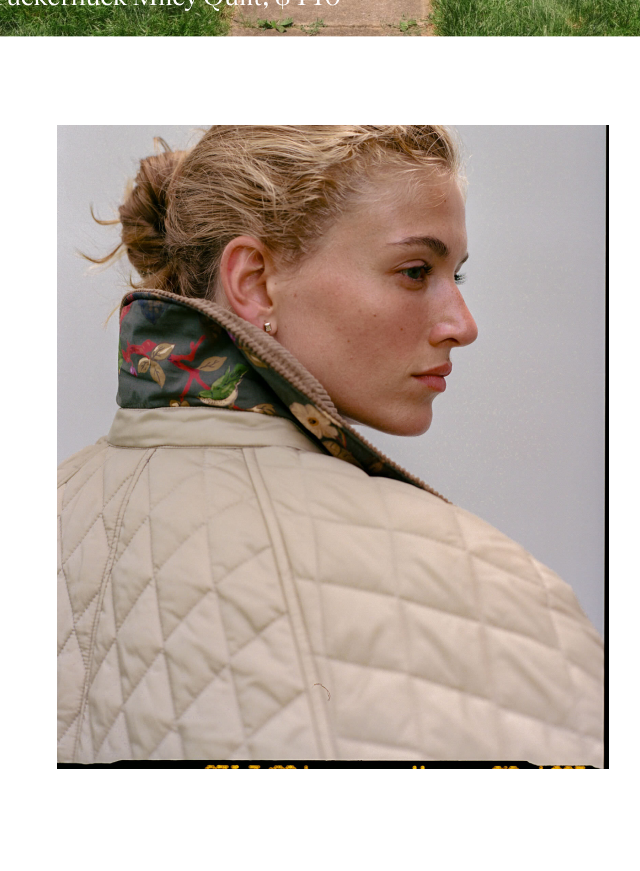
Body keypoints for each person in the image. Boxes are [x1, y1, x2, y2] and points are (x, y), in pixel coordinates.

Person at [58, 125, 603, 765]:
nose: (463, 325)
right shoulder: (497, 589)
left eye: (455, 275)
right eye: (415, 271)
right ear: (255, 281)